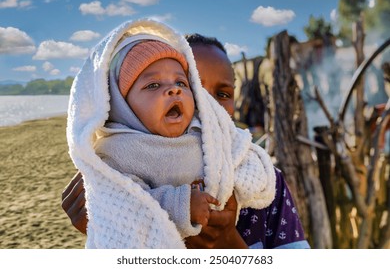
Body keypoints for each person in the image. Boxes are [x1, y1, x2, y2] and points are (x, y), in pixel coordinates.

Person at [62, 29, 310, 249]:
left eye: (222, 94)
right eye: (197, 90)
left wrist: (227, 243)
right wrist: (107, 221)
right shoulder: (112, 170)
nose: (208, 105)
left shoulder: (262, 179)